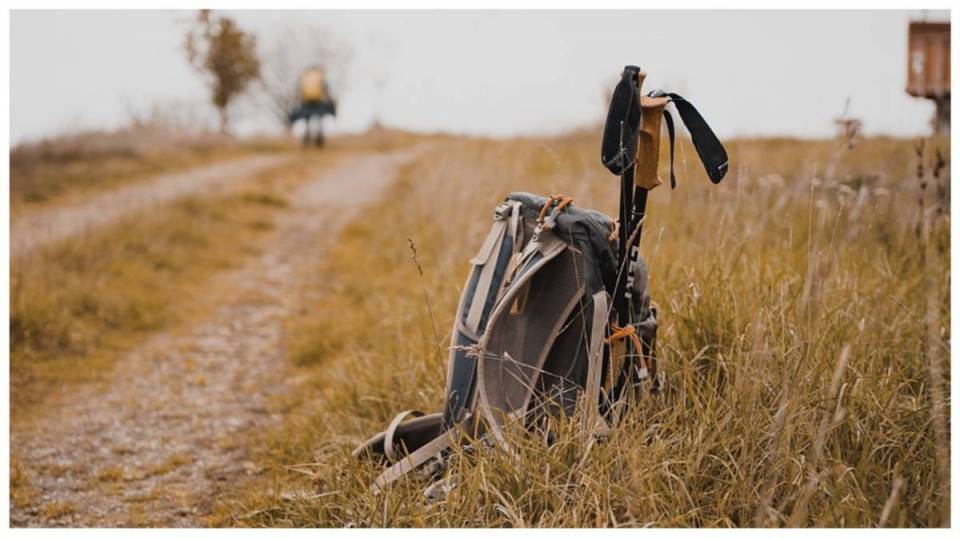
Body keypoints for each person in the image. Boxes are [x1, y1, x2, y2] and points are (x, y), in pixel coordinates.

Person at [288, 66, 336, 147]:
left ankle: (306, 142)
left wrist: (295, 103)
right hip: (318, 102)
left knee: (307, 123)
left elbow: (298, 91)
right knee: (320, 123)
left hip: (306, 102)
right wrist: (331, 101)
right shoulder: (320, 76)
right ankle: (319, 142)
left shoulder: (304, 77)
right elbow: (326, 90)